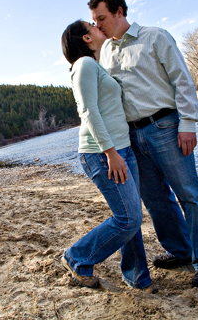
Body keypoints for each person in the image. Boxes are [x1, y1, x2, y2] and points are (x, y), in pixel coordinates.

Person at [88, 0, 198, 290]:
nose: (98, 26)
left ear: (120, 11)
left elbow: (182, 80)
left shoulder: (156, 37)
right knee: (156, 200)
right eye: (94, 21)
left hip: (166, 128)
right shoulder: (106, 52)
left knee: (190, 195)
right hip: (132, 137)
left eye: (102, 18)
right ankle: (180, 250)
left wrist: (188, 123)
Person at [60, 19, 156, 293]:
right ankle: (77, 257)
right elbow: (88, 111)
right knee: (128, 219)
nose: (96, 25)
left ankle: (138, 278)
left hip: (121, 148)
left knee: (131, 215)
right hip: (102, 152)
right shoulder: (84, 65)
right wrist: (110, 152)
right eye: (91, 24)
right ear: (86, 38)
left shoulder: (96, 65)